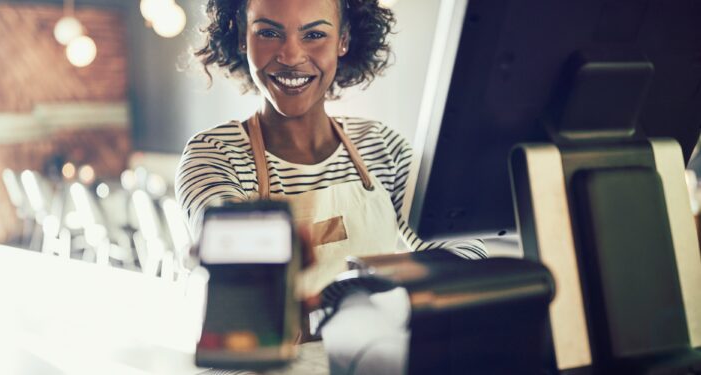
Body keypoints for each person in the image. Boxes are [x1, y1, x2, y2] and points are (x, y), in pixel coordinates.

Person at [176, 0, 487, 294]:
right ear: (243, 37)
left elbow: (466, 250)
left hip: (377, 350)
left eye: (314, 34)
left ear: (344, 40)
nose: (291, 56)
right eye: (269, 33)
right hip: (273, 351)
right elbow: (228, 245)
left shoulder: (382, 147)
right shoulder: (213, 155)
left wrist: (361, 287)